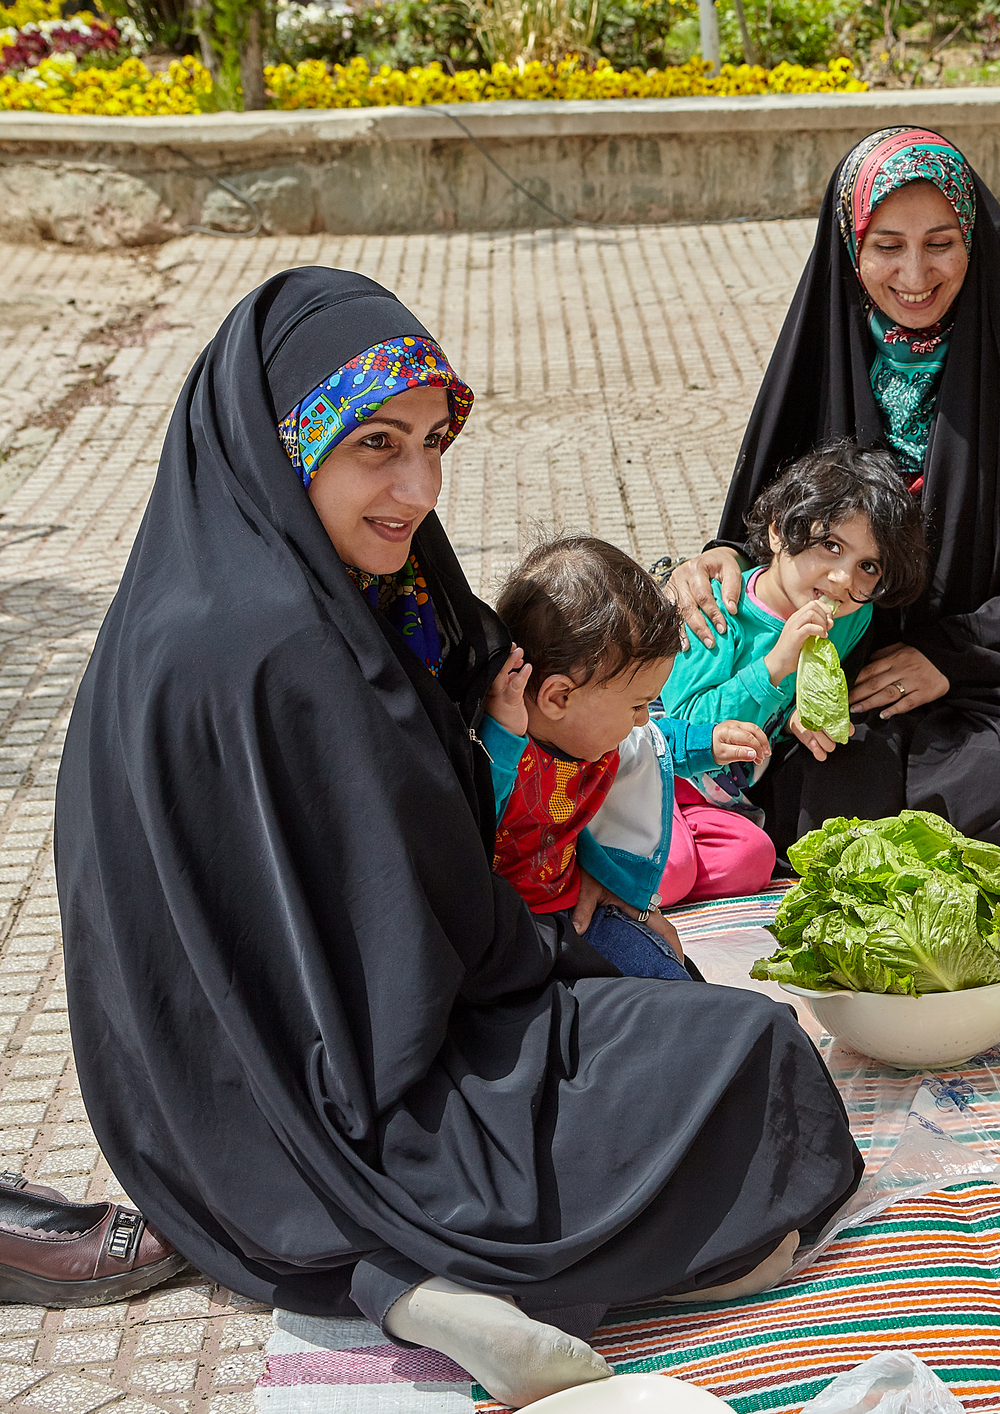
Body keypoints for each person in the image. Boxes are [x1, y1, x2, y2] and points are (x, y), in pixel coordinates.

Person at [55, 269, 861, 1408]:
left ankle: (409, 1280)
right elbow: (418, 918)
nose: (416, 485)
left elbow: (475, 723)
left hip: (243, 1075)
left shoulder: (310, 576)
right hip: (351, 1071)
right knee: (745, 1054)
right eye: (376, 445)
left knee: (713, 1042)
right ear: (285, 440)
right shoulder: (276, 645)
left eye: (434, 441)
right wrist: (558, 949)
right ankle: (417, 1266)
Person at [664, 126, 1000, 850]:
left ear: (974, 240)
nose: (914, 274)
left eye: (940, 243)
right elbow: (771, 517)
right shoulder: (824, 348)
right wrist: (719, 555)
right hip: (837, 666)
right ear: (850, 249)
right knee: (800, 781)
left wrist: (950, 654)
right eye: (886, 247)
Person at [483, 536, 780, 979]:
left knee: (676, 981)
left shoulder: (588, 730)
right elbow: (476, 800)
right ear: (558, 696)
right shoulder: (499, 747)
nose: (644, 719)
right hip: (504, 935)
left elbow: (653, 742)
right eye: (638, 704)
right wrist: (503, 737)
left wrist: (707, 741)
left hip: (582, 910)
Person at [660, 439, 928, 777]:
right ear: (777, 531)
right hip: (673, 785)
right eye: (831, 545)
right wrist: (774, 666)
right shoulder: (715, 614)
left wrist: (791, 721)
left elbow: (786, 705)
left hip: (738, 791)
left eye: (869, 567)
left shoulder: (853, 616)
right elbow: (680, 733)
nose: (844, 578)